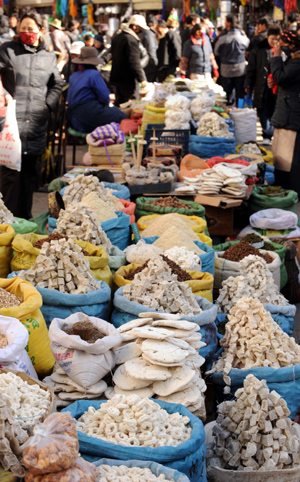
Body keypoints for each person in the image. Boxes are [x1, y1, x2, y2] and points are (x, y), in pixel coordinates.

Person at [0, 9, 63, 219]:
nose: (27, 32)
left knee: (28, 180)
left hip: (36, 124)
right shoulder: (7, 49)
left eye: (31, 29)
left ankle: (24, 227)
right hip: (10, 126)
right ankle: (7, 230)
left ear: (41, 31)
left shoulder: (48, 57)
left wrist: (47, 106)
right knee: (10, 181)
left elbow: (56, 85)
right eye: (23, 29)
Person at [67, 46, 127, 133]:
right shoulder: (94, 74)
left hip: (74, 118)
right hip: (89, 114)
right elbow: (104, 98)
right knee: (122, 116)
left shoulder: (74, 76)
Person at [269, 30, 300, 194]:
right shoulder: (292, 60)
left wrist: (275, 57)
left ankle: (291, 191)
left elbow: (282, 78)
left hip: (291, 115)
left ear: (292, 45)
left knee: (290, 159)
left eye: (282, 44)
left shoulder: (297, 62)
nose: (279, 47)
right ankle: (285, 189)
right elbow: (281, 79)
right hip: (287, 112)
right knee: (283, 157)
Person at [245, 25, 280, 145]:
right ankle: (267, 134)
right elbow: (251, 69)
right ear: (268, 37)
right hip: (262, 86)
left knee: (274, 110)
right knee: (263, 110)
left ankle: (270, 133)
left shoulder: (282, 50)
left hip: (277, 87)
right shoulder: (259, 49)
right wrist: (248, 84)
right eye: (272, 39)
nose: (274, 42)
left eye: (277, 39)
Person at [110, 15, 147, 106]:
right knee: (129, 106)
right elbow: (134, 62)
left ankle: (118, 120)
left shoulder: (118, 37)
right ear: (134, 26)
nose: (141, 32)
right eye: (140, 29)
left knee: (119, 104)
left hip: (117, 78)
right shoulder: (131, 40)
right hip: (127, 81)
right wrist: (142, 79)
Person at [214, 14, 249, 105]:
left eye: (225, 21)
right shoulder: (244, 38)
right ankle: (240, 110)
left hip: (226, 70)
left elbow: (216, 52)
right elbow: (248, 48)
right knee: (240, 94)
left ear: (229, 23)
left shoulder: (222, 38)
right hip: (240, 70)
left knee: (226, 94)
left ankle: (227, 113)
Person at [138, 15, 158, 82]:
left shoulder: (142, 33)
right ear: (155, 24)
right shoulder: (149, 34)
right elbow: (151, 50)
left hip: (143, 63)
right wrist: (155, 63)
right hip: (149, 65)